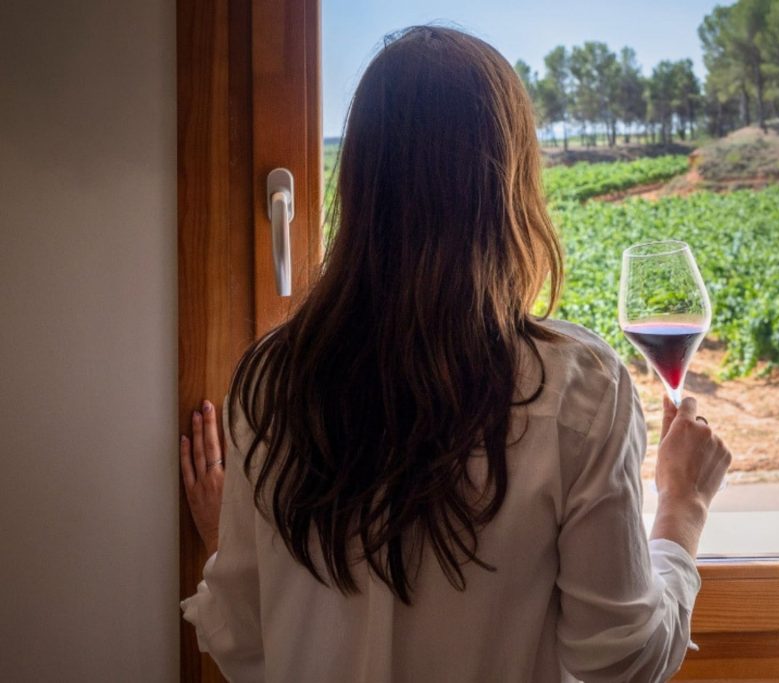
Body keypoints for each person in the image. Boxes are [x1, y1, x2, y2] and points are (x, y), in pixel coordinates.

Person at [180, 25, 731, 683]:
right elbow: (618, 656)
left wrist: (254, 536)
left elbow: (243, 639)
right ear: (511, 189)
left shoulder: (269, 383)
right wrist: (682, 508)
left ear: (358, 187)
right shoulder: (578, 388)